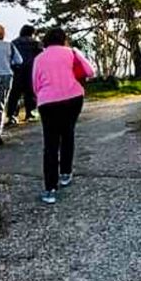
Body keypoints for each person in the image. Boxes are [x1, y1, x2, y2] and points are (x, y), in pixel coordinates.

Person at [31, 27, 96, 204]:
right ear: (63, 39)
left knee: (50, 143)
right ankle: (66, 173)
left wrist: (43, 95)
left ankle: (50, 189)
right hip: (73, 98)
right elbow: (90, 72)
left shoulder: (39, 58)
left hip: (48, 103)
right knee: (68, 134)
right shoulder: (71, 52)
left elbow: (35, 84)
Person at [7, 24, 42, 125]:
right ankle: (30, 113)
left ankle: (12, 115)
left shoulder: (13, 43)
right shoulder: (36, 43)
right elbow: (40, 56)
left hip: (16, 71)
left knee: (14, 94)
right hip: (31, 70)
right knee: (30, 93)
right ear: (32, 33)